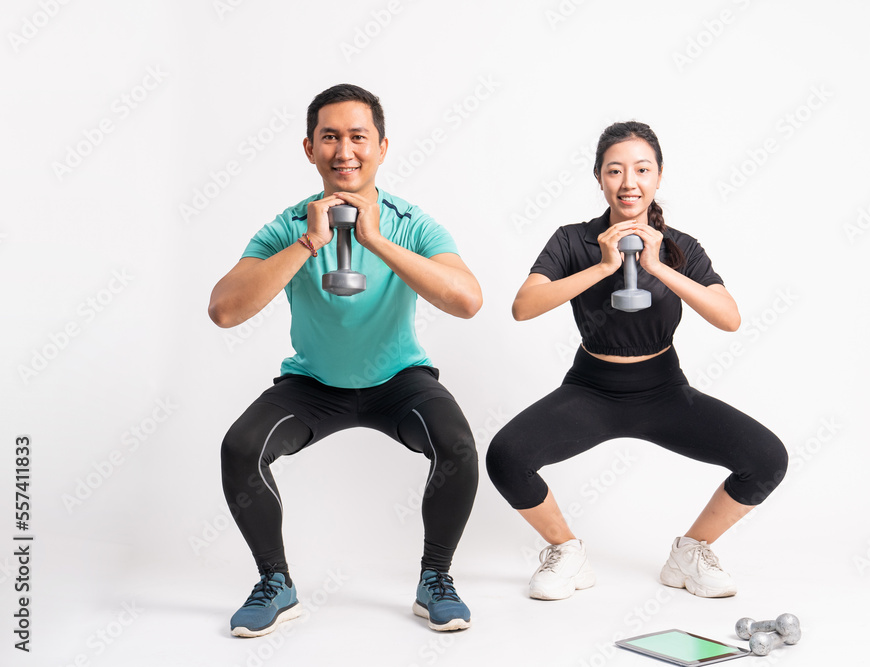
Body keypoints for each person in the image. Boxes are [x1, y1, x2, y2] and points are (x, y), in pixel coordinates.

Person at [208, 84, 482, 636]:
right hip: (313, 384)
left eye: (358, 137)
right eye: (329, 137)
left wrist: (375, 238)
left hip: (399, 380)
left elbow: (467, 300)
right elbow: (224, 310)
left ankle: (436, 580)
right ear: (309, 149)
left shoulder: (411, 222)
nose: (344, 150)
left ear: (382, 146)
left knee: (456, 445)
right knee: (240, 447)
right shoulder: (287, 226)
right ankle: (275, 585)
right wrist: (309, 242)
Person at [486, 121, 788, 601]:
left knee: (767, 458)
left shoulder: (681, 247)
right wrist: (604, 266)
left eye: (642, 169)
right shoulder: (572, 240)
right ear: (600, 179)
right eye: (615, 171)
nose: (629, 182)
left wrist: (657, 265)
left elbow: (728, 318)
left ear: (659, 177)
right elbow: (524, 307)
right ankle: (566, 551)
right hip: (591, 390)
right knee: (506, 457)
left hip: (664, 391)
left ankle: (691, 552)